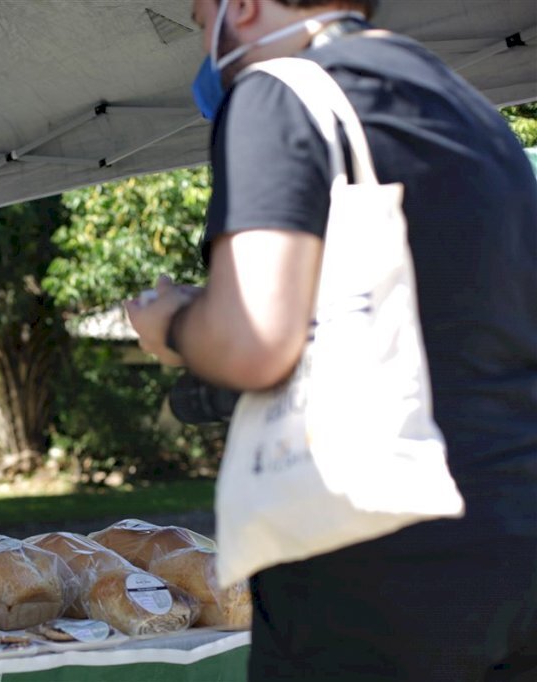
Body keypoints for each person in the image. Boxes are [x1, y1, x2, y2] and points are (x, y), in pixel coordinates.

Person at [126, 0, 537, 679]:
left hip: (379, 558)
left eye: (201, 21)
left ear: (242, 7)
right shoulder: (467, 107)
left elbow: (253, 339)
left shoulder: (279, 89)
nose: (205, 45)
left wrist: (170, 322)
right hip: (515, 539)